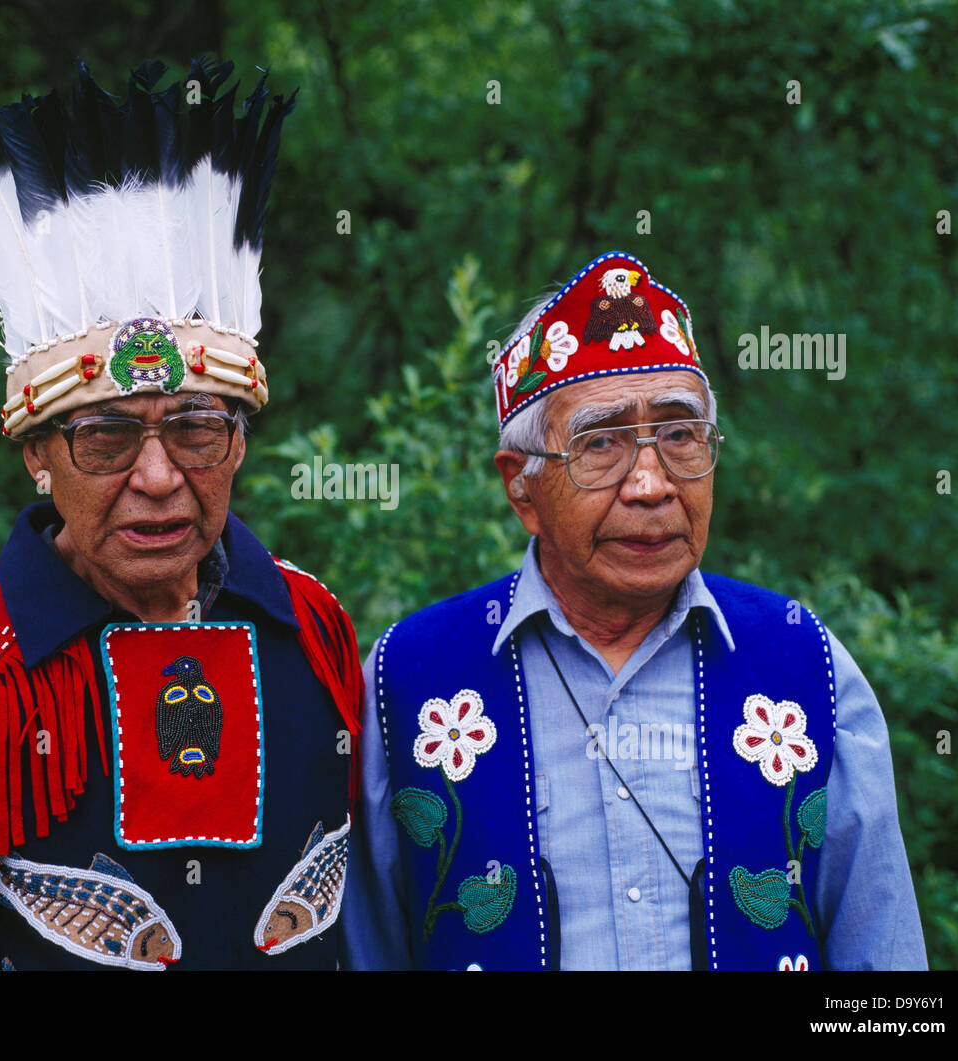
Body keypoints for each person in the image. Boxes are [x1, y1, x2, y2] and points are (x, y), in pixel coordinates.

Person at [0, 58, 363, 971]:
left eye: (195, 428)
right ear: (36, 452)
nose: (157, 477)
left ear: (241, 441)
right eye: (105, 439)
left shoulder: (312, 626)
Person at [341, 251, 926, 970]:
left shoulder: (805, 661)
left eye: (679, 434)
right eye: (600, 443)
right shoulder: (408, 681)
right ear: (520, 488)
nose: (650, 483)